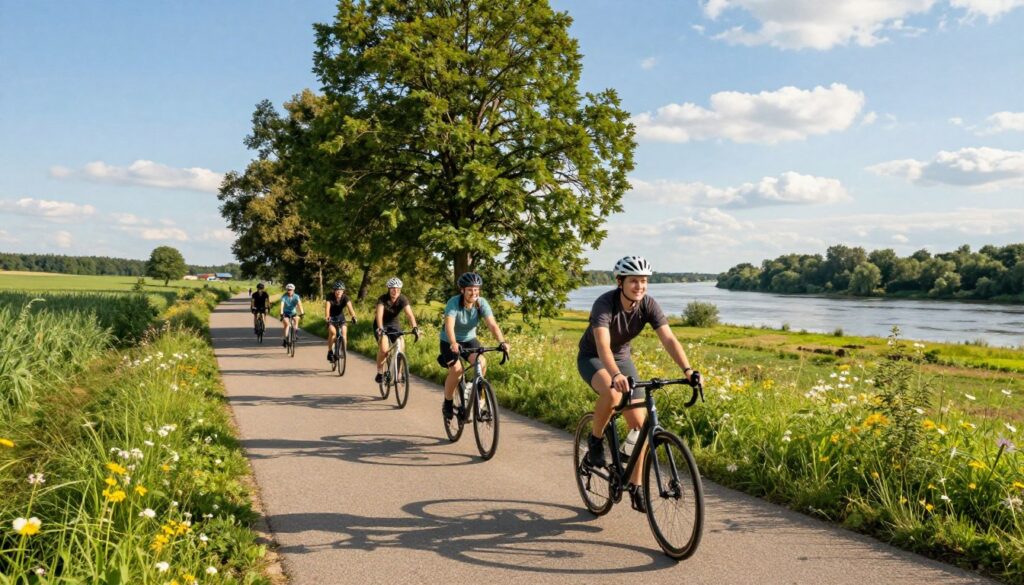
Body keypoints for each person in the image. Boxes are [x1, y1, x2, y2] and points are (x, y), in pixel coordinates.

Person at [577, 255, 698, 514]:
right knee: (611, 392)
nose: (640, 286)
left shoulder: (648, 305)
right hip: (593, 358)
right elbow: (602, 345)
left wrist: (687, 370)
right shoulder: (604, 304)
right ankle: (596, 441)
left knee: (642, 427)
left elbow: (669, 339)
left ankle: (636, 486)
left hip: (623, 360)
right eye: (634, 281)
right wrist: (615, 375)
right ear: (620, 282)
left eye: (644, 281)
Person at [439, 272, 510, 420]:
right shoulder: (453, 302)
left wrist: (502, 342)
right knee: (457, 370)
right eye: (470, 289)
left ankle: (476, 396)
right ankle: (448, 401)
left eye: (476, 289)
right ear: (462, 290)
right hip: (449, 341)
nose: (474, 292)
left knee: (482, 362)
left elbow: (492, 325)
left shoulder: (481, 303)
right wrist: (453, 343)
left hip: (470, 339)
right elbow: (449, 326)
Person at [374, 277, 419, 382]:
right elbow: (379, 315)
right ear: (389, 289)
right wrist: (380, 328)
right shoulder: (382, 299)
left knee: (401, 346)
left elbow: (410, 315)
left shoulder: (402, 299)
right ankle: (380, 372)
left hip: (394, 324)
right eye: (393, 289)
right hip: (381, 325)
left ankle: (399, 374)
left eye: (398, 289)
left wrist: (415, 327)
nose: (395, 291)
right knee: (384, 350)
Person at [324, 281, 358, 362]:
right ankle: (330, 351)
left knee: (344, 332)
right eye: (337, 290)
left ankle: (343, 351)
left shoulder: (345, 297)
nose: (339, 291)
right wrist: (327, 317)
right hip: (331, 318)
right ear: (334, 291)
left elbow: (350, 308)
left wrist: (353, 316)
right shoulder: (330, 297)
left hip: (341, 317)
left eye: (341, 290)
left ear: (343, 291)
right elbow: (327, 308)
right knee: (333, 333)